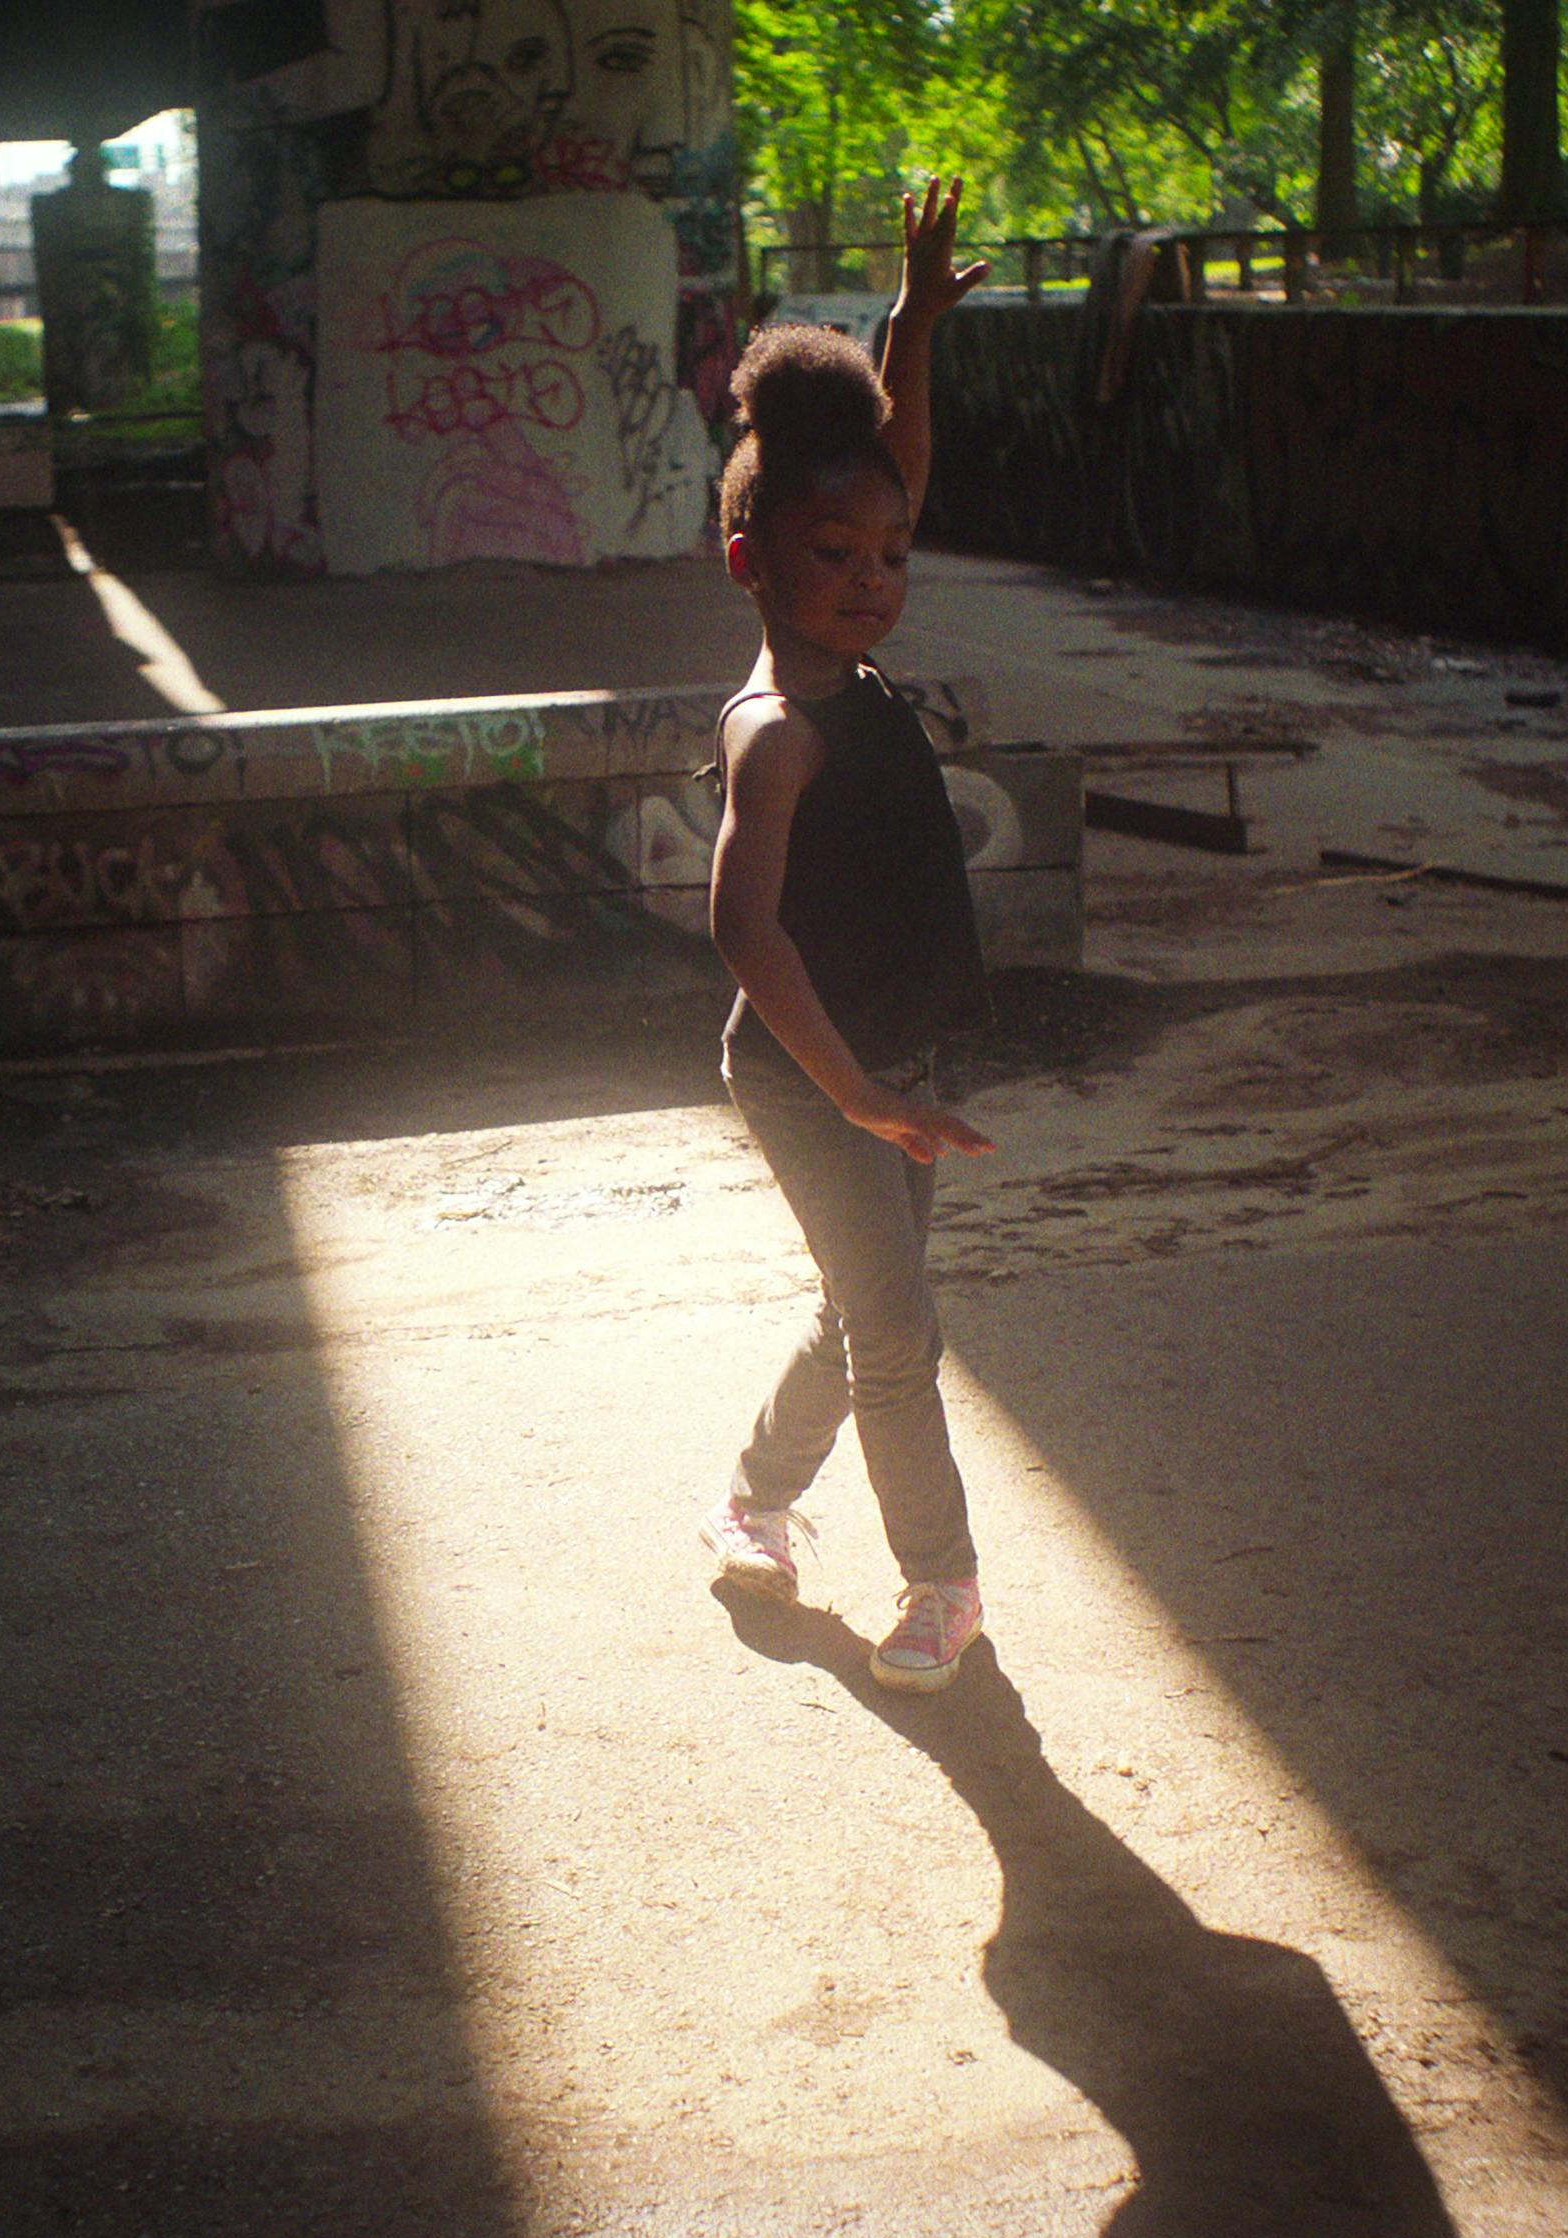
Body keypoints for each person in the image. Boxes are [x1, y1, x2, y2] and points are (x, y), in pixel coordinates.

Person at [696, 181, 999, 1694]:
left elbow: (897, 463)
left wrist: (913, 324)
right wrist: (865, 1100)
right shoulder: (777, 733)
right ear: (751, 559)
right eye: (837, 554)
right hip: (817, 1077)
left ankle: (757, 1494)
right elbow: (746, 936)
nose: (875, 576)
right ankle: (943, 1581)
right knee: (897, 1331)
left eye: (891, 555)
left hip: (900, 1058)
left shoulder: (856, 646)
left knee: (857, 1309)